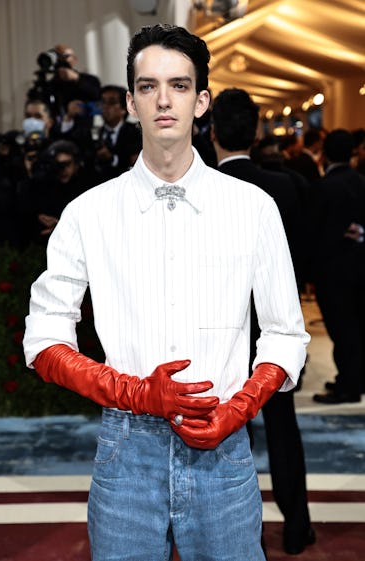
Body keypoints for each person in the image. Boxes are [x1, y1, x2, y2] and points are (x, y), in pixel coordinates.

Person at [23, 24, 310, 561]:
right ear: (130, 101)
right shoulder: (89, 213)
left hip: (223, 446)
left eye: (179, 86)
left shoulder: (252, 208)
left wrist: (240, 407)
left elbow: (285, 334)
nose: (163, 100)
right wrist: (134, 393)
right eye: (148, 86)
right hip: (126, 450)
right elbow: (43, 340)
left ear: (201, 101)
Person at [211, 87, 315, 555]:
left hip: (224, 331)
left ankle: (236, 531)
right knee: (283, 427)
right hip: (276, 328)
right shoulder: (288, 185)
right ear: (255, 132)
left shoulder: (204, 190)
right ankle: (297, 527)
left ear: (210, 131)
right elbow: (304, 257)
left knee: (230, 434)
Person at [311, 129, 365, 404]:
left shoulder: (324, 187)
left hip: (332, 272)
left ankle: (348, 385)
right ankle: (354, 377)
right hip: (359, 268)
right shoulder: (360, 181)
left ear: (325, 153)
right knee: (356, 327)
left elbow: (316, 232)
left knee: (342, 331)